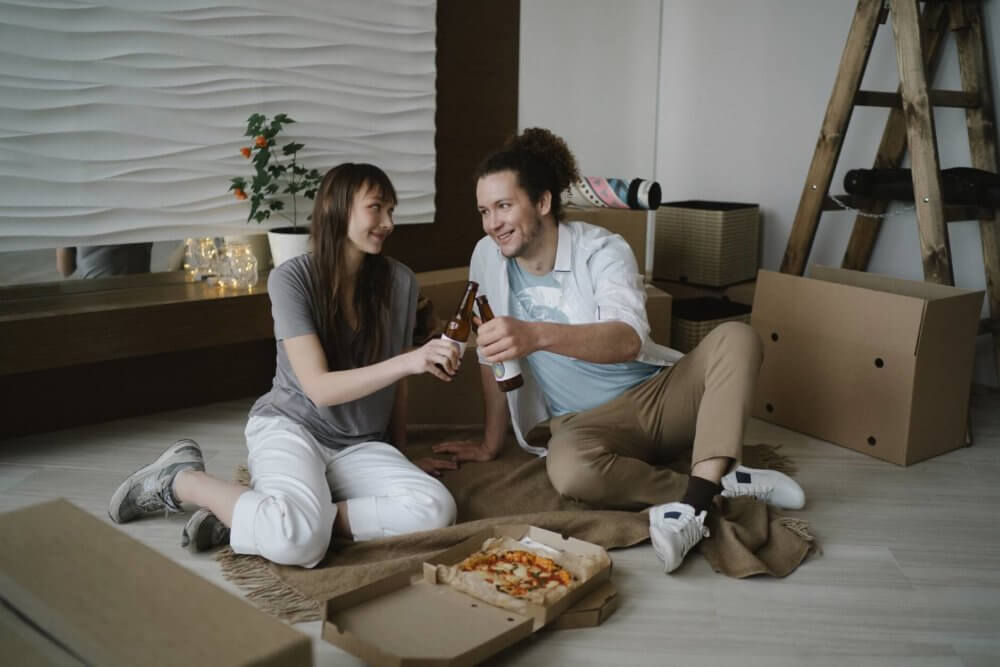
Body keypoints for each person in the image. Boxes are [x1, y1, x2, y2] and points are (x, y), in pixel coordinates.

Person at [432, 129, 805, 573]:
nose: (492, 223)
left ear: (544, 203)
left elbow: (628, 339)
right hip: (580, 424)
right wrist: (492, 444)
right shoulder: (486, 257)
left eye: (504, 206)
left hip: (657, 399)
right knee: (570, 473)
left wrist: (536, 334)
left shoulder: (603, 250)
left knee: (737, 338)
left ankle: (694, 509)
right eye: (484, 211)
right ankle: (715, 486)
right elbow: (490, 352)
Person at [108, 163, 460, 567]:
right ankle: (182, 479)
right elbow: (319, 387)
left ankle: (254, 512)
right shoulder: (291, 279)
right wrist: (409, 361)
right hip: (293, 427)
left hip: (360, 444)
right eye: (376, 208)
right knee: (300, 545)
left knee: (435, 509)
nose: (388, 222)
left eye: (391, 211)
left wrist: (399, 455)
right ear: (335, 207)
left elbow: (399, 385)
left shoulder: (400, 282)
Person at [56, 242, 153, 278]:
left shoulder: (76, 209)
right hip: (141, 295)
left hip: (94, 299)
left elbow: (65, 270)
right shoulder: (144, 201)